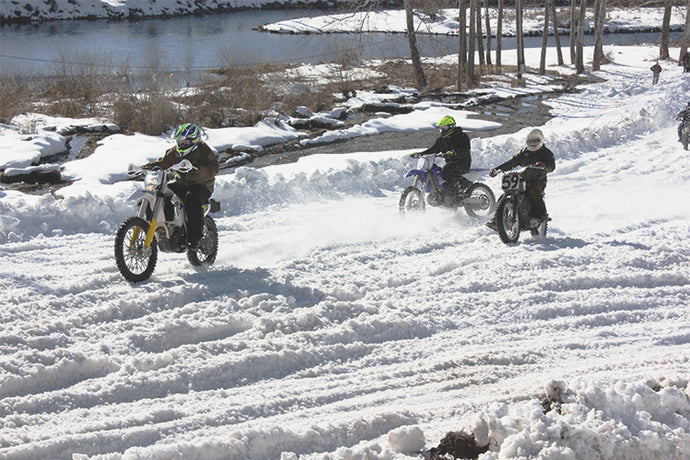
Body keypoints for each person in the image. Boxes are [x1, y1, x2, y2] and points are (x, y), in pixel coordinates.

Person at [142, 123, 219, 249]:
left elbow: (214, 169)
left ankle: (194, 239)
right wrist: (147, 167)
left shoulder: (203, 150)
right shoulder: (175, 152)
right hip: (181, 184)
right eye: (179, 142)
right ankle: (163, 227)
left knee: (191, 199)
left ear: (194, 140)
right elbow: (163, 162)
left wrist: (198, 168)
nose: (181, 145)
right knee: (161, 193)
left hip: (202, 186)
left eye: (184, 142)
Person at [487, 128, 556, 230]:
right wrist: (497, 169)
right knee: (505, 195)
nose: (532, 144)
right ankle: (497, 220)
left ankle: (542, 215)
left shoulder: (546, 153)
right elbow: (511, 162)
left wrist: (544, 165)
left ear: (540, 140)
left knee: (533, 191)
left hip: (538, 179)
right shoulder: (524, 152)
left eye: (534, 141)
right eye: (530, 141)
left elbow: (552, 166)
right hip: (524, 177)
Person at [412, 115, 472, 203]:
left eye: (444, 127)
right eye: (441, 128)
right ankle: (441, 193)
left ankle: (455, 195)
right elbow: (433, 150)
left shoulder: (461, 136)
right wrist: (421, 154)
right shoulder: (441, 139)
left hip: (463, 162)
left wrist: (454, 153)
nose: (442, 130)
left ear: (451, 126)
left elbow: (465, 150)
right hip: (451, 162)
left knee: (447, 170)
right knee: (437, 172)